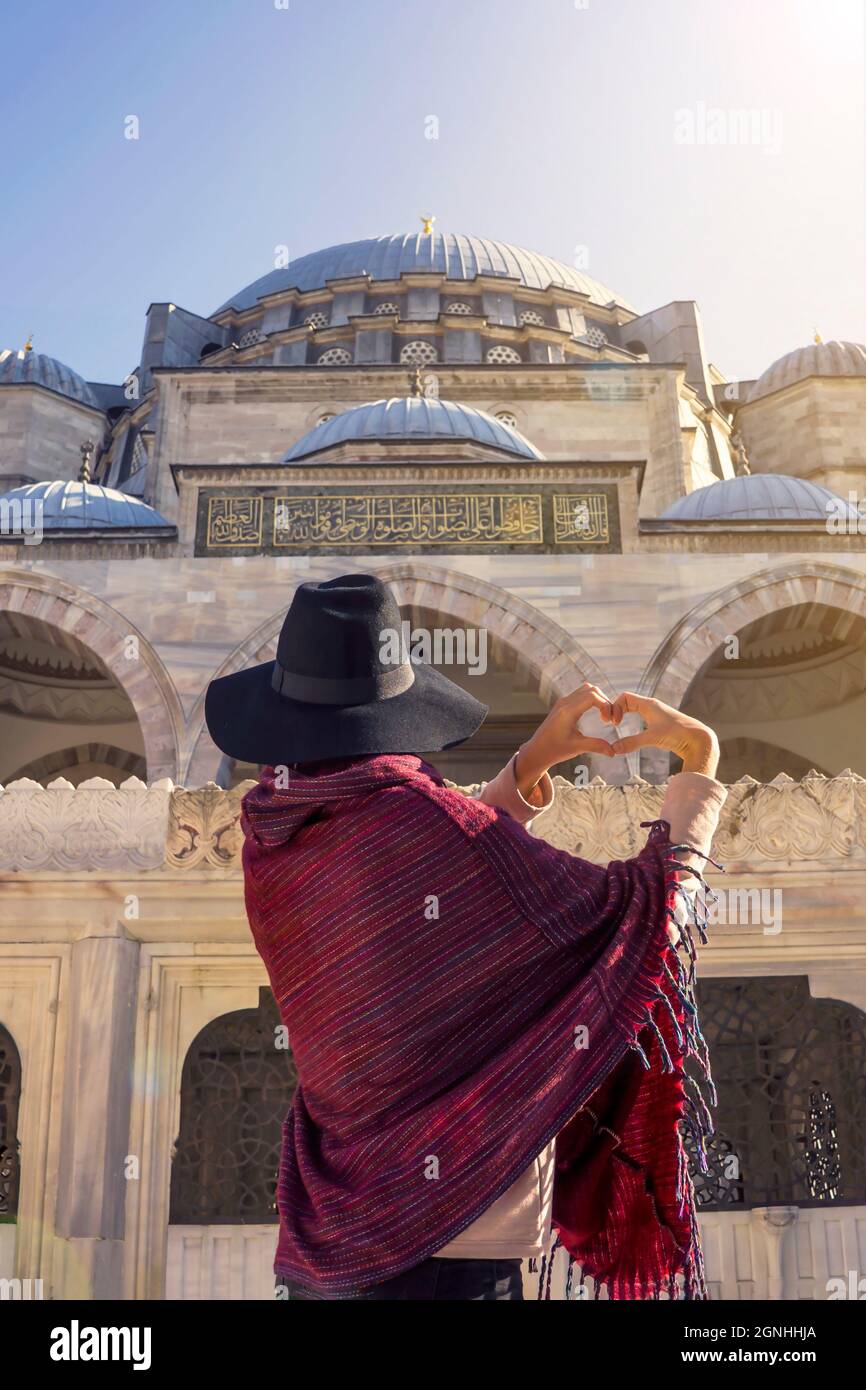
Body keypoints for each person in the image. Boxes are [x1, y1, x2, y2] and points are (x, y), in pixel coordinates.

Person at [205, 573, 727, 1301]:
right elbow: (639, 916)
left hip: (327, 1251)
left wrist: (531, 768)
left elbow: (442, 883)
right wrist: (699, 763)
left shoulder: (276, 837)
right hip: (452, 1249)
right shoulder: (422, 824)